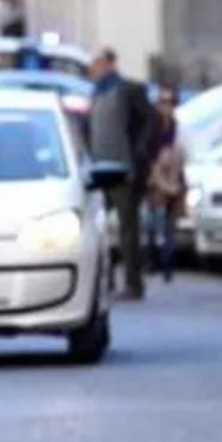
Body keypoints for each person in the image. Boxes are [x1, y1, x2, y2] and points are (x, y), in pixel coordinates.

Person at [87, 47, 159, 301]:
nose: (91, 69)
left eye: (95, 64)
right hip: (99, 169)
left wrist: (140, 152)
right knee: (98, 227)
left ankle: (133, 283)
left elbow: (152, 121)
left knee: (129, 229)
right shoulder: (95, 93)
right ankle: (103, 281)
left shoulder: (128, 90)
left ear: (108, 63)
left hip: (124, 169)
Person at [145, 86, 187, 282]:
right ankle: (152, 260)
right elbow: (147, 154)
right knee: (153, 223)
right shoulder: (151, 126)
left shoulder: (177, 127)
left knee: (169, 224)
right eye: (163, 102)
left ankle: (167, 265)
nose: (166, 106)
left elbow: (181, 152)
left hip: (173, 176)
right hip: (154, 180)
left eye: (170, 102)